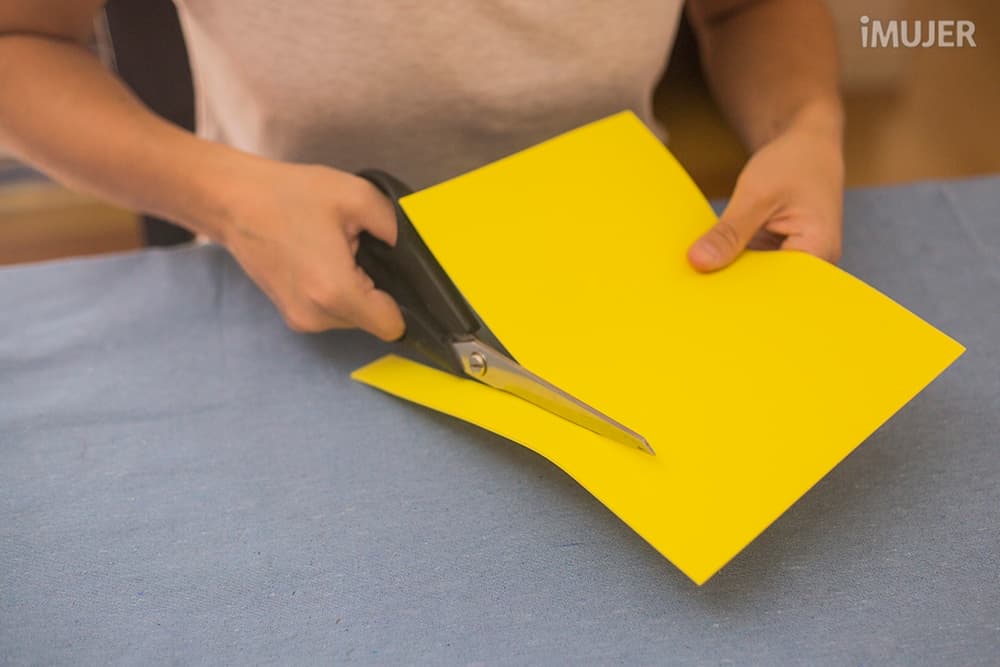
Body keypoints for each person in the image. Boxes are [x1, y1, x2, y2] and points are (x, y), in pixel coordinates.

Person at [0, 1, 844, 342]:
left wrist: (807, 125)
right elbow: (17, 41)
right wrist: (223, 200)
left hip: (632, 267)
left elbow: (746, 7)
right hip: (298, 283)